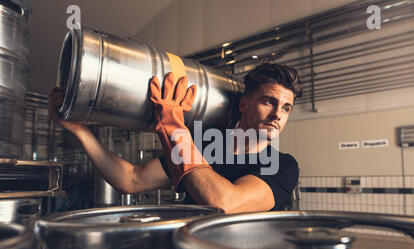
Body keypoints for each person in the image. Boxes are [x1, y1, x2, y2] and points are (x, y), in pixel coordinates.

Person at [49, 63, 301, 214]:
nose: (278, 114)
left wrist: (173, 127)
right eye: (269, 101)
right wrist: (81, 131)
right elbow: (131, 179)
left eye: (286, 108)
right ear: (244, 104)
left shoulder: (281, 165)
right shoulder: (206, 147)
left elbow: (225, 203)